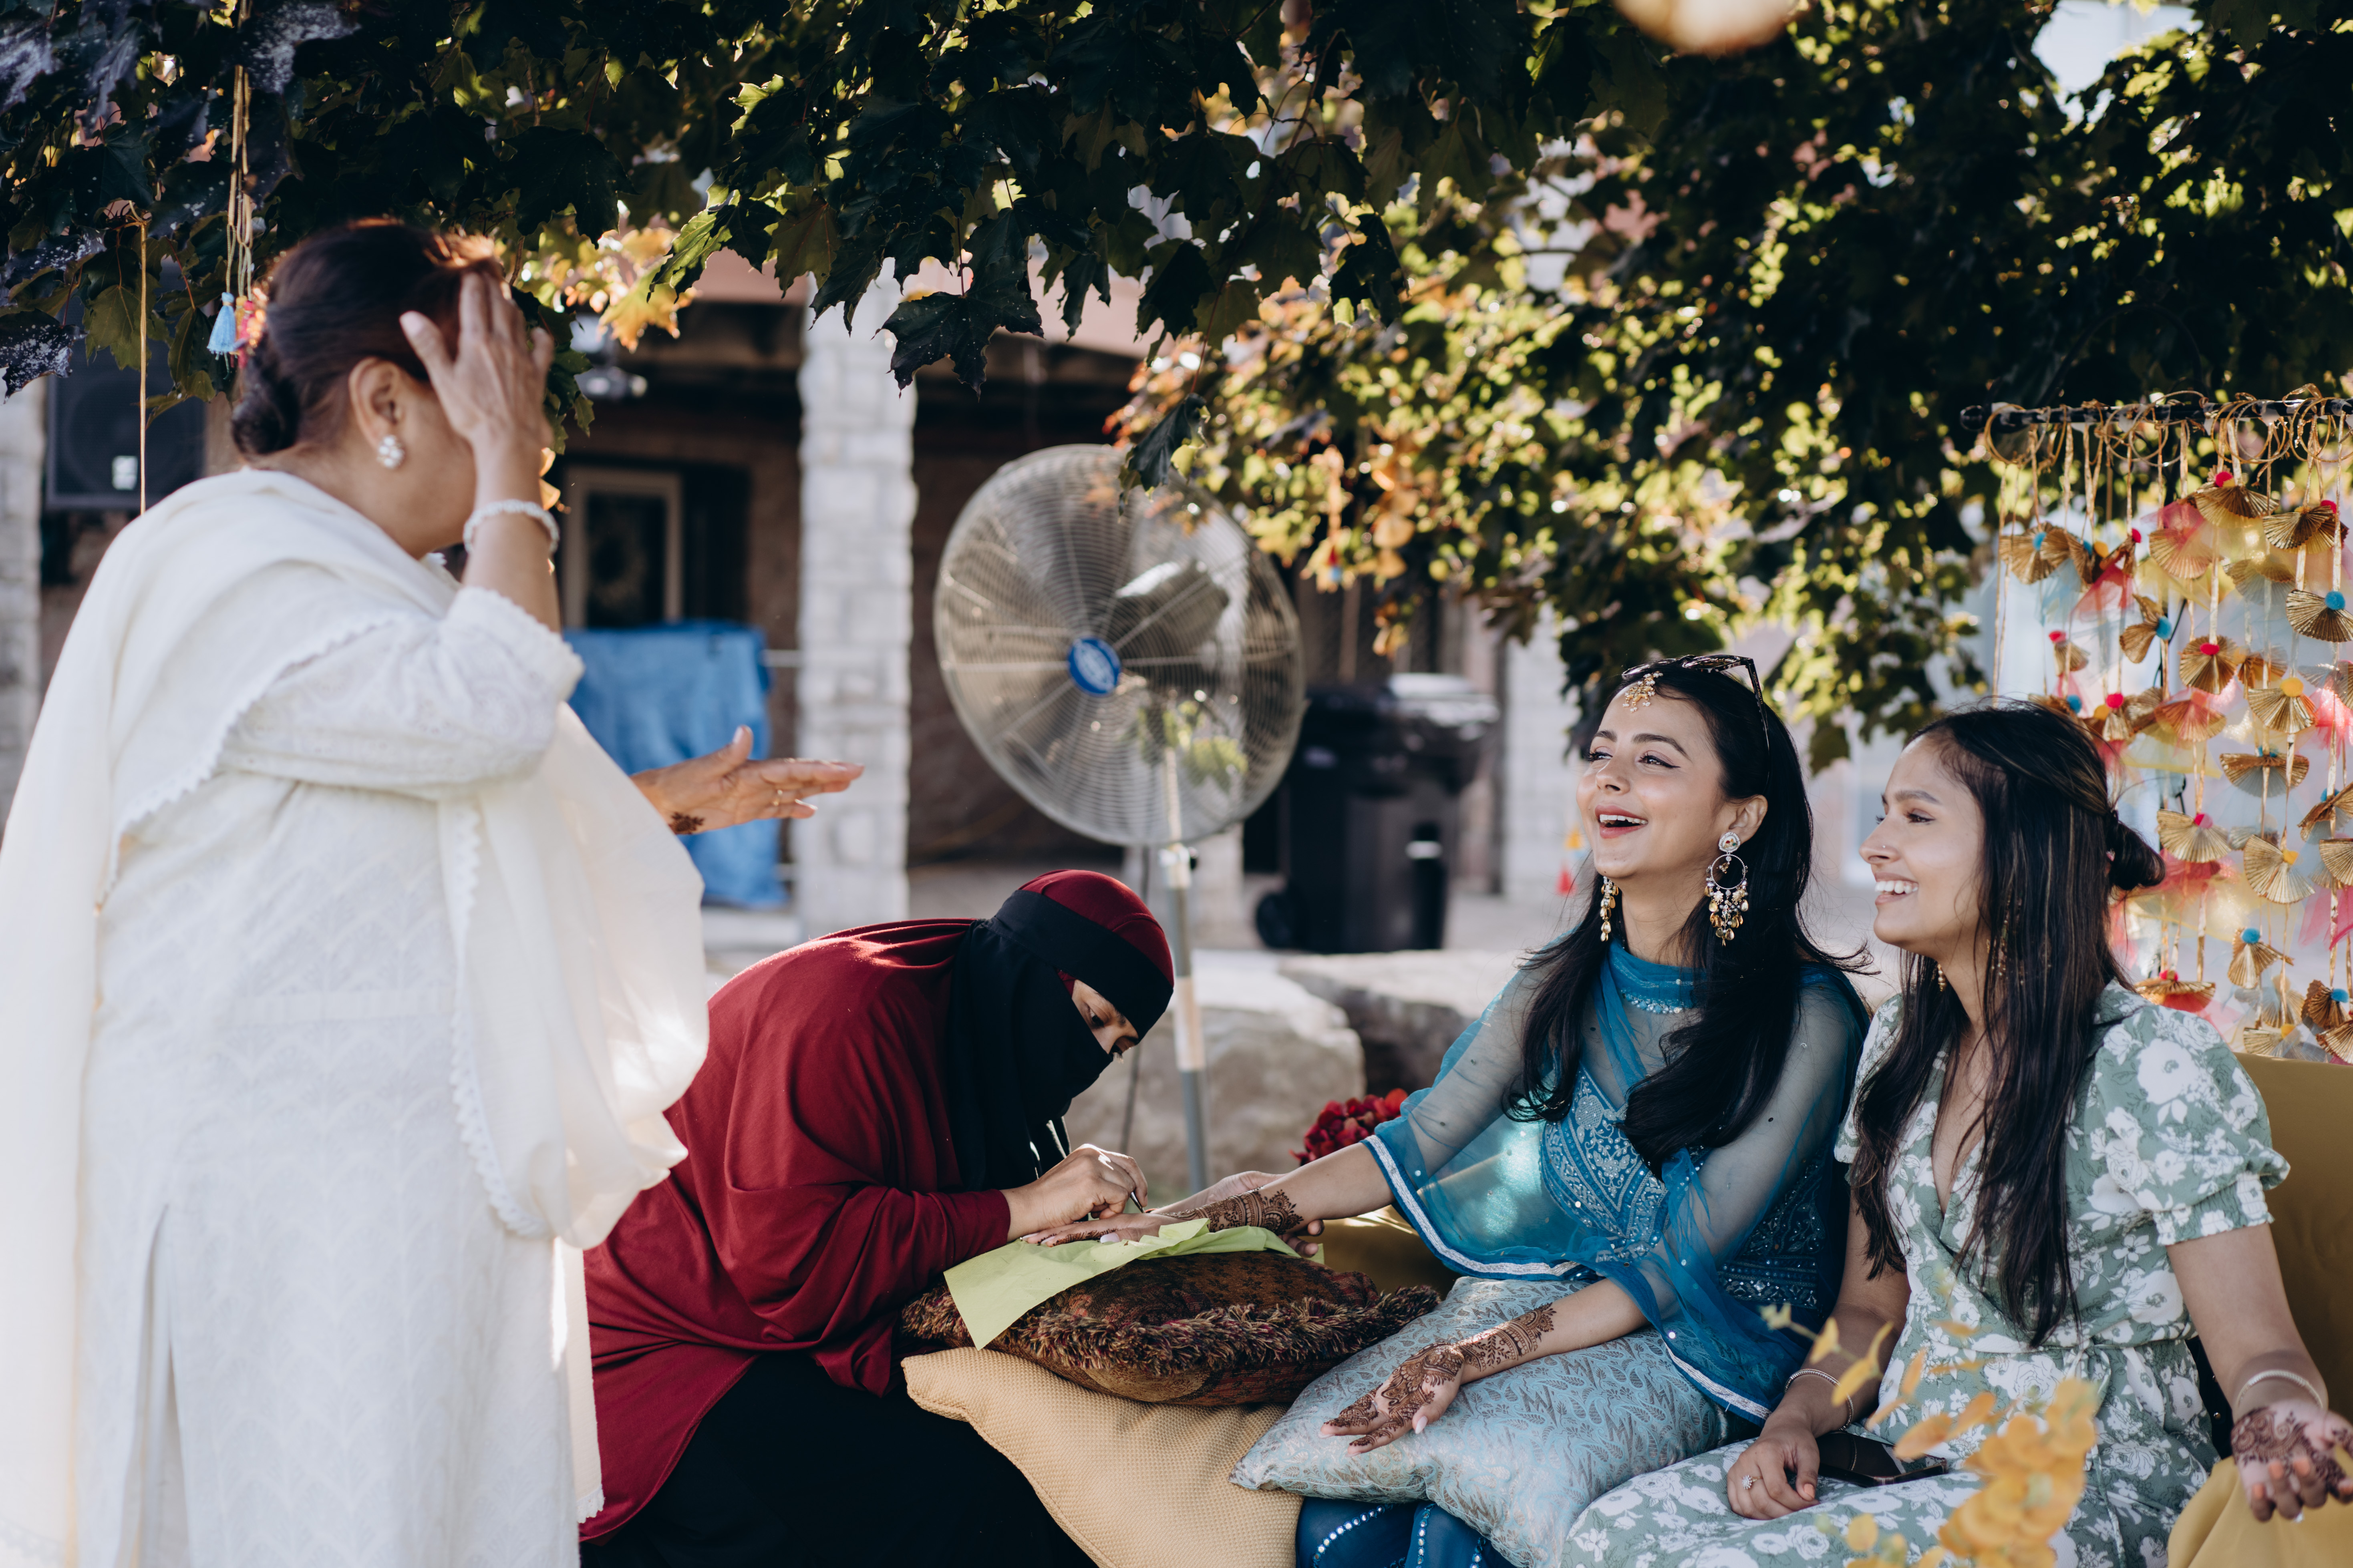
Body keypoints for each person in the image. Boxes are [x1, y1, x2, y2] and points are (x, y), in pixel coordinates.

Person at [0, 222, 857, 1566]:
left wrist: (657, 804)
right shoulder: (231, 567)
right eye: (502, 401)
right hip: (277, 1205)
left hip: (383, 1190)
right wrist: (511, 477)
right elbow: (488, 721)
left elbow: (420, 811)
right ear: (387, 404)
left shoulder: (345, 583)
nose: (535, 444)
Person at [1037, 657, 1869, 1568]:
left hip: (1721, 1342)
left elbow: (1678, 1265)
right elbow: (1414, 1144)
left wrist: (1468, 1354)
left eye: (1655, 760)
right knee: (1341, 1505)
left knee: (1453, 1529)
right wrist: (1179, 1220)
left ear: (1739, 816)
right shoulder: (1558, 985)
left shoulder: (1807, 1017)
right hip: (1564, 1294)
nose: (1611, 779)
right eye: (1601, 753)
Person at [1561, 701, 2353, 1567]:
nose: (1875, 846)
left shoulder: (2155, 1064)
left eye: (1917, 817)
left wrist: (2280, 1416)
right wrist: (1795, 1419)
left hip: (2088, 1485)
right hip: (1904, 1460)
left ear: (2024, 849)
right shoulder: (1900, 1043)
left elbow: (2263, 1350)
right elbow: (1870, 1312)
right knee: (1605, 1538)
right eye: (1883, 815)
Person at [580, 870, 1202, 1568]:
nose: (1091, 1057)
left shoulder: (974, 1026)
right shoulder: (846, 1011)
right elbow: (791, 1259)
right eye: (1091, 1019)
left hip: (781, 1331)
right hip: (664, 1349)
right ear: (1033, 965)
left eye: (1115, 1048)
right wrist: (1024, 1206)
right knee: (959, 1501)